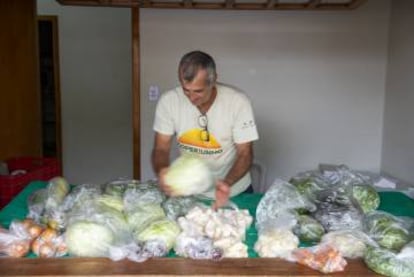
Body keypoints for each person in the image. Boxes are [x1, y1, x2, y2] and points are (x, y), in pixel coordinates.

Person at [151, 50, 259, 209]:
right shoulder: (169, 102)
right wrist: (162, 171)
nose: (191, 98)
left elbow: (245, 153)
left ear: (213, 80)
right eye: (186, 90)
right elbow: (161, 148)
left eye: (198, 91)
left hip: (234, 191)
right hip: (190, 194)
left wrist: (226, 184)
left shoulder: (238, 102)